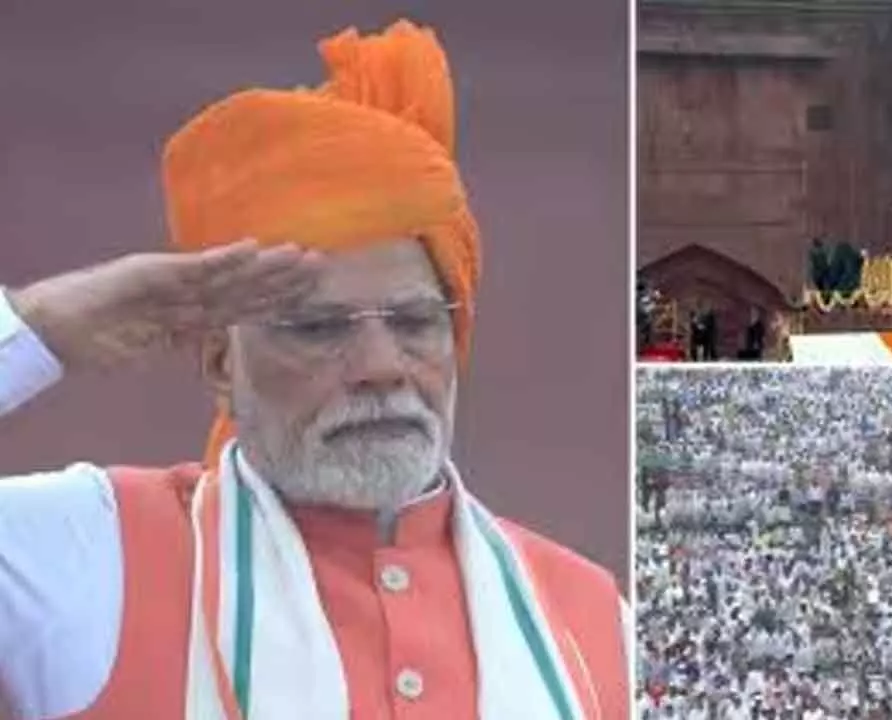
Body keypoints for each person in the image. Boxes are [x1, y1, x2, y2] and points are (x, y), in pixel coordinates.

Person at [0, 20, 627, 720]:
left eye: (415, 322)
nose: (381, 367)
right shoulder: (91, 558)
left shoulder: (596, 622)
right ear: (219, 362)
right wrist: (40, 327)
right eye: (319, 328)